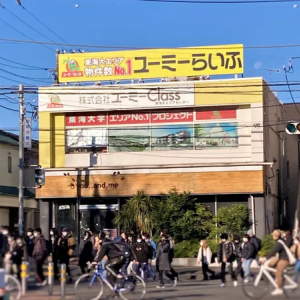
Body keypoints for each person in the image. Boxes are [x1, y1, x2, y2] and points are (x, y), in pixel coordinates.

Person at [261, 229, 293, 296]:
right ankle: (278, 278)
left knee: (278, 271)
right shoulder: (280, 241)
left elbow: (272, 252)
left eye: (273, 235)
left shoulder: (279, 243)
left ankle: (279, 289)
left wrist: (265, 259)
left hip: (285, 259)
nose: (272, 236)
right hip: (281, 258)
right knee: (270, 264)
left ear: (275, 236)